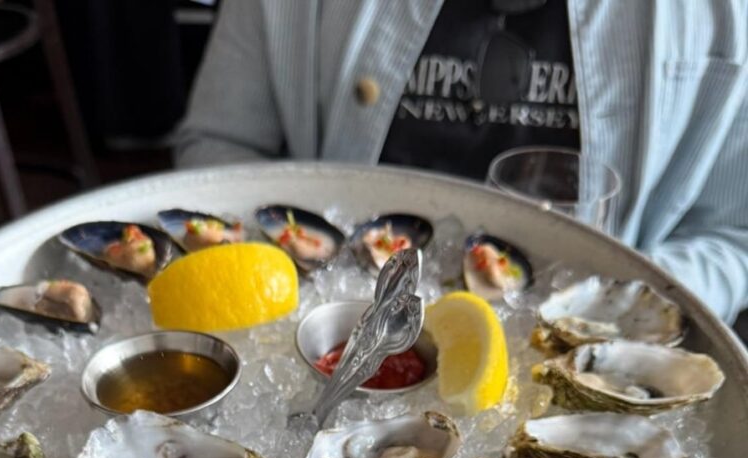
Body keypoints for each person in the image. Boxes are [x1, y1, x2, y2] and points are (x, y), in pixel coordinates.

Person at [175, 0, 748, 324]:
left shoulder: (724, 16)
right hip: (332, 323)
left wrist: (615, 307)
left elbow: (734, 236)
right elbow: (220, 146)